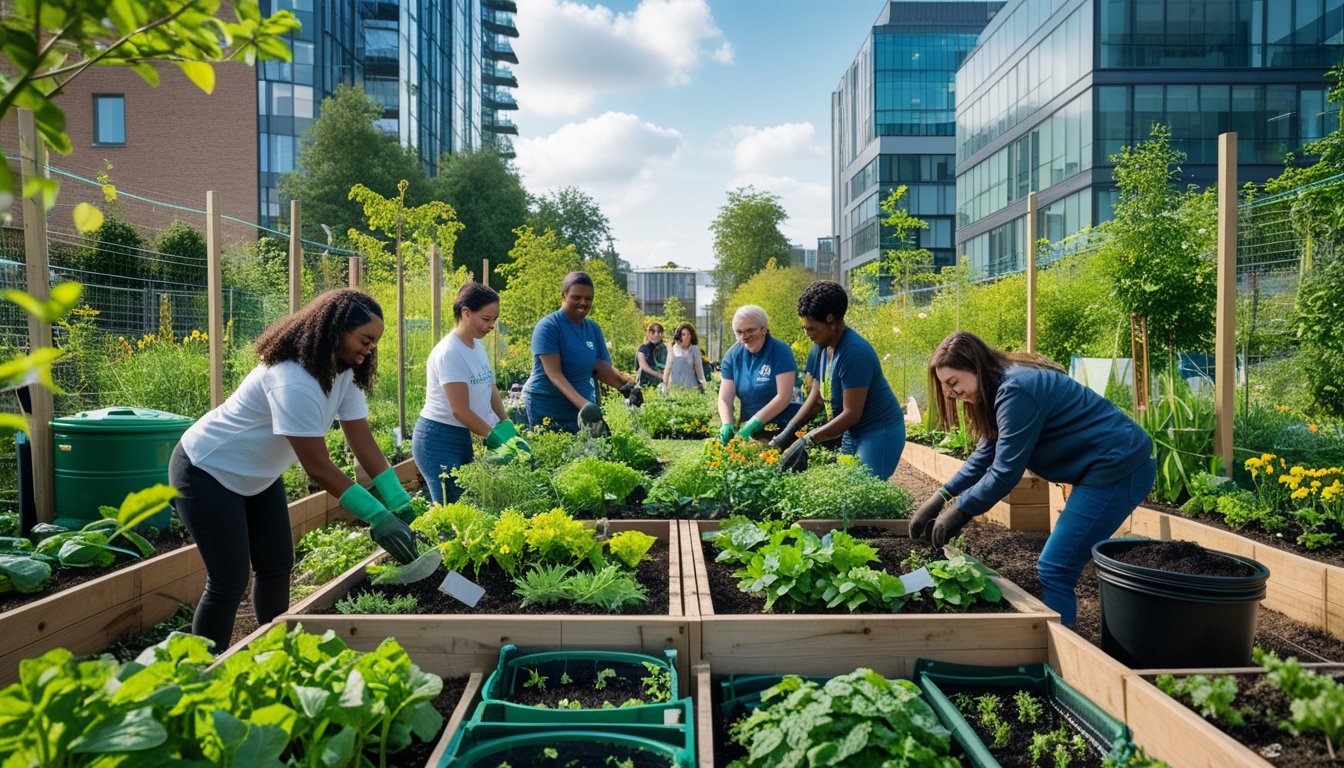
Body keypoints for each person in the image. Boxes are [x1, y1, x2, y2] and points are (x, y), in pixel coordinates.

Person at [169, 289, 418, 650]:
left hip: (258, 476)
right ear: (335, 331)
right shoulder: (292, 379)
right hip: (206, 469)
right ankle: (202, 673)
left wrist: (400, 502)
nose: (370, 350)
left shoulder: (344, 372)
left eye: (374, 343)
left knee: (276, 565)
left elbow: (363, 443)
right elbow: (317, 465)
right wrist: (377, 515)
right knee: (229, 581)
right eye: (365, 340)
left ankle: (274, 650)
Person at [909, 331, 1155, 626]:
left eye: (953, 383)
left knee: (1056, 568)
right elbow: (983, 456)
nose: (950, 393)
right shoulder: (998, 387)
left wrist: (960, 511)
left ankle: (1065, 657)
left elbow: (1004, 473)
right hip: (1101, 467)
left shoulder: (1016, 389)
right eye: (945, 386)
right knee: (1060, 562)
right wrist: (941, 497)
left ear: (975, 367)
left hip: (1119, 468)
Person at [770, 280, 905, 479]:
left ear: (830, 320)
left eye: (812, 328)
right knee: (845, 491)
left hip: (879, 432)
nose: (807, 334)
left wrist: (807, 440)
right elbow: (816, 398)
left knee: (860, 495)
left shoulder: (854, 353)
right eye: (804, 328)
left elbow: (852, 414)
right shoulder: (821, 347)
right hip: (852, 432)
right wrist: (787, 434)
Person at [413, 282, 529, 505]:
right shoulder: (450, 352)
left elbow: (490, 387)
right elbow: (460, 410)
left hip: (460, 437)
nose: (492, 325)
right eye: (486, 319)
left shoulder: (476, 346)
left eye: (494, 320)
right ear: (466, 313)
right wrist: (495, 438)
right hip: (437, 439)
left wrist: (507, 427)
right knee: (451, 508)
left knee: (467, 503)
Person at [523, 271, 642, 432]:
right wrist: (586, 407)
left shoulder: (593, 329)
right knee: (554, 454)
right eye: (576, 297)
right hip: (547, 408)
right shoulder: (549, 327)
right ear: (564, 296)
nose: (583, 302)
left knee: (592, 454)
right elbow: (554, 375)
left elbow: (599, 367)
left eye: (588, 298)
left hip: (580, 406)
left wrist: (626, 387)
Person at [716, 305, 799, 444]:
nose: (745, 336)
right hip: (748, 431)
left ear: (764, 329)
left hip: (782, 430)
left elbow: (783, 397)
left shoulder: (780, 352)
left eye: (750, 330)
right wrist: (727, 424)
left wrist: (755, 422)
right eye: (739, 332)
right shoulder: (733, 356)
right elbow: (725, 398)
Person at [663, 322, 707, 393]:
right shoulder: (672, 349)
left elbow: (699, 369)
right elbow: (668, 368)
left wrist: (703, 384)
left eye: (688, 335)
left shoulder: (695, 349)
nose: (686, 337)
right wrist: (665, 385)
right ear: (679, 336)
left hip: (691, 387)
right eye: (683, 335)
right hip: (674, 387)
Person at [635, 322, 667, 388]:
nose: (656, 334)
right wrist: (661, 376)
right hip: (644, 385)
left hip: (661, 385)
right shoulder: (642, 349)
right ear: (648, 333)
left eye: (659, 332)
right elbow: (644, 367)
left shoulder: (664, 348)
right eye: (652, 332)